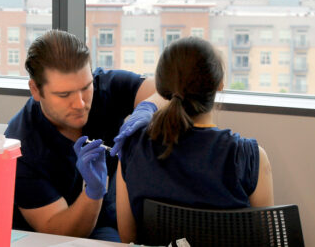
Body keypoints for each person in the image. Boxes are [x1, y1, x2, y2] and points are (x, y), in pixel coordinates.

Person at [5, 29, 161, 242]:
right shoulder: (22, 146)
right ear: (35, 90)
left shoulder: (104, 87)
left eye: (85, 88)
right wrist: (93, 193)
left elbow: (166, 92)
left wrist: (149, 107)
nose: (80, 103)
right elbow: (58, 231)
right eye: (64, 94)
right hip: (64, 235)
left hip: (113, 213)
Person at [116, 37, 274, 243]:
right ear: (220, 84)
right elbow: (268, 241)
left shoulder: (132, 147)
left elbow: (128, 238)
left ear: (163, 88)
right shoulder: (249, 158)